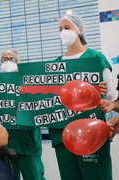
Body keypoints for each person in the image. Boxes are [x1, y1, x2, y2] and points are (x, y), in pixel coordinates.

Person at [48, 12, 114, 180]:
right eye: (60, 29)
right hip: (62, 134)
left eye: (67, 27)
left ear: (78, 30)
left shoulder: (95, 58)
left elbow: (111, 95)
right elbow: (48, 98)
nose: (62, 31)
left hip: (91, 132)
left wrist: (102, 93)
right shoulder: (55, 65)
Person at [0, 49, 45, 180]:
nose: (8, 62)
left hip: (27, 142)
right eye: (4, 59)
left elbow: (42, 107)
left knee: (34, 176)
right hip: (5, 144)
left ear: (18, 62)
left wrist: (28, 94)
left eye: (12, 59)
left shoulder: (29, 82)